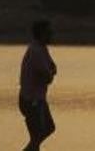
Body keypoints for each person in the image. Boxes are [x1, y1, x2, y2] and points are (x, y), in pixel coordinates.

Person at [19, 20, 58, 151]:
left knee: (48, 129)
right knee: (38, 135)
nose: (52, 35)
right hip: (31, 100)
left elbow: (53, 67)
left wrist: (50, 72)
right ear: (42, 34)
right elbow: (48, 77)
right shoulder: (36, 51)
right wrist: (50, 73)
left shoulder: (42, 48)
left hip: (38, 99)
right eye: (49, 32)